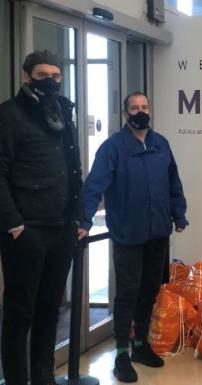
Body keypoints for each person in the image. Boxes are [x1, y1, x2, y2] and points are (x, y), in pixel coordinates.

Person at [79, 92, 188, 383]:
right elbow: (94, 185)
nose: (140, 111)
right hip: (128, 233)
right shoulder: (113, 147)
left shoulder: (160, 143)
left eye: (144, 107)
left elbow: (173, 182)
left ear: (150, 109)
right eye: (134, 108)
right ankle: (122, 354)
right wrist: (84, 220)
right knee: (127, 293)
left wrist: (179, 214)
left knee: (149, 291)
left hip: (157, 233)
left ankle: (141, 345)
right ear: (125, 113)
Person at [0, 50, 82, 385]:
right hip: (26, 231)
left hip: (61, 229)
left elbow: (72, 168)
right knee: (20, 314)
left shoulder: (63, 114)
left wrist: (76, 219)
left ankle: (44, 378)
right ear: (26, 76)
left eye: (56, 75)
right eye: (42, 74)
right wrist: (15, 224)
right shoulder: (9, 114)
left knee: (51, 310)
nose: (50, 80)